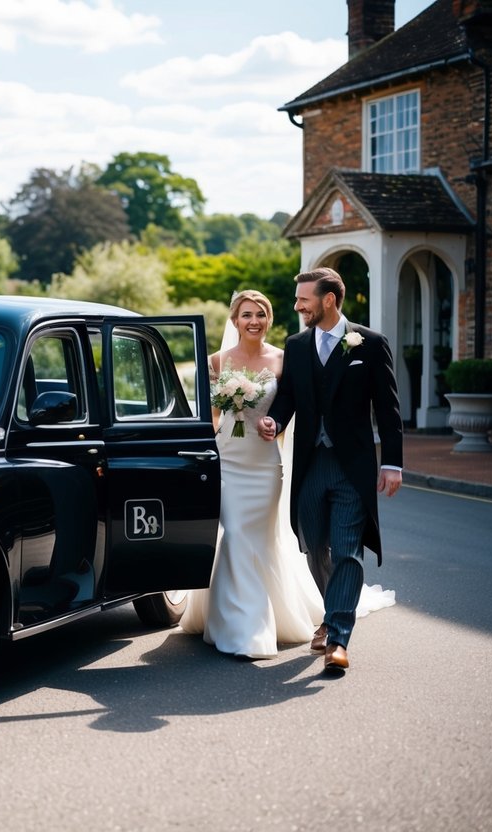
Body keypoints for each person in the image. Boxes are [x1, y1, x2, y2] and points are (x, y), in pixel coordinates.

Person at [258, 267, 403, 672]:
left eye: (304, 299)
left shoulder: (369, 343)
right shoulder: (297, 345)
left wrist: (391, 462)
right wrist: (275, 421)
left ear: (328, 300)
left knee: (346, 551)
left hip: (351, 466)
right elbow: (287, 397)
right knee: (312, 543)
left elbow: (389, 409)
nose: (297, 306)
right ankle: (330, 611)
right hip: (309, 463)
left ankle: (338, 637)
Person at [180, 290, 325, 659]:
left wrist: (274, 426)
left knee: (258, 540)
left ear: (269, 319)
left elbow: (290, 408)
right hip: (227, 460)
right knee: (236, 536)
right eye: (246, 314)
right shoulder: (215, 361)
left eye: (260, 314)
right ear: (234, 320)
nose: (254, 321)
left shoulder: (283, 358)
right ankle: (243, 628)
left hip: (264, 464)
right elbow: (210, 418)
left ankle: (260, 617)